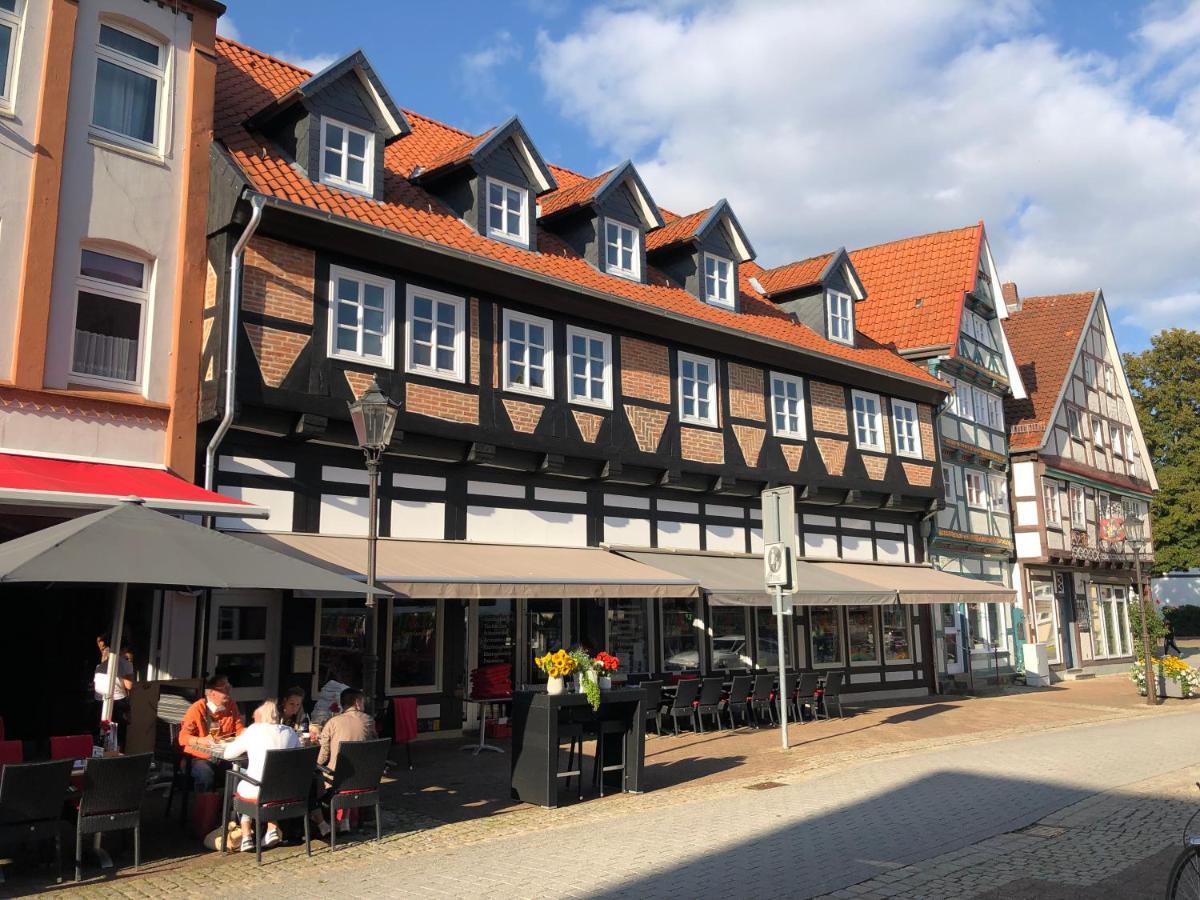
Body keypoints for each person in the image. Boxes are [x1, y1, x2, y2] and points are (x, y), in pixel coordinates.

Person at [221, 700, 299, 852]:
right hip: (285, 791)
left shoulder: (253, 730)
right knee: (267, 783)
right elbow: (297, 755)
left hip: (258, 790)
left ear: (260, 718)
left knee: (240, 778)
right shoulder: (290, 732)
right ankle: (271, 829)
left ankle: (246, 836)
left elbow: (228, 754)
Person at [312, 688, 376, 836]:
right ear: (358, 702)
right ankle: (344, 820)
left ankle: (322, 823)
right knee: (350, 767)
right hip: (364, 779)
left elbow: (322, 757)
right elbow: (374, 745)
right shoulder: (368, 720)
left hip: (338, 782)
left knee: (313, 780)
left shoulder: (333, 722)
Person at [178, 674, 244, 792]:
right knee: (205, 775)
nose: (229, 690)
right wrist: (201, 740)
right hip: (198, 758)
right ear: (211, 693)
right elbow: (182, 738)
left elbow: (239, 730)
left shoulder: (231, 705)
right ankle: (204, 808)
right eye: (224, 688)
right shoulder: (197, 708)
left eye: (229, 686)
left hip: (224, 757)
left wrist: (254, 732)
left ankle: (232, 807)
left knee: (247, 771)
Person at [92, 641, 134, 746]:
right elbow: (129, 685)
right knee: (118, 733)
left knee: (101, 731)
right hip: (116, 700)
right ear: (124, 650)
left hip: (100, 700)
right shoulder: (126, 664)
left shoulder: (100, 665)